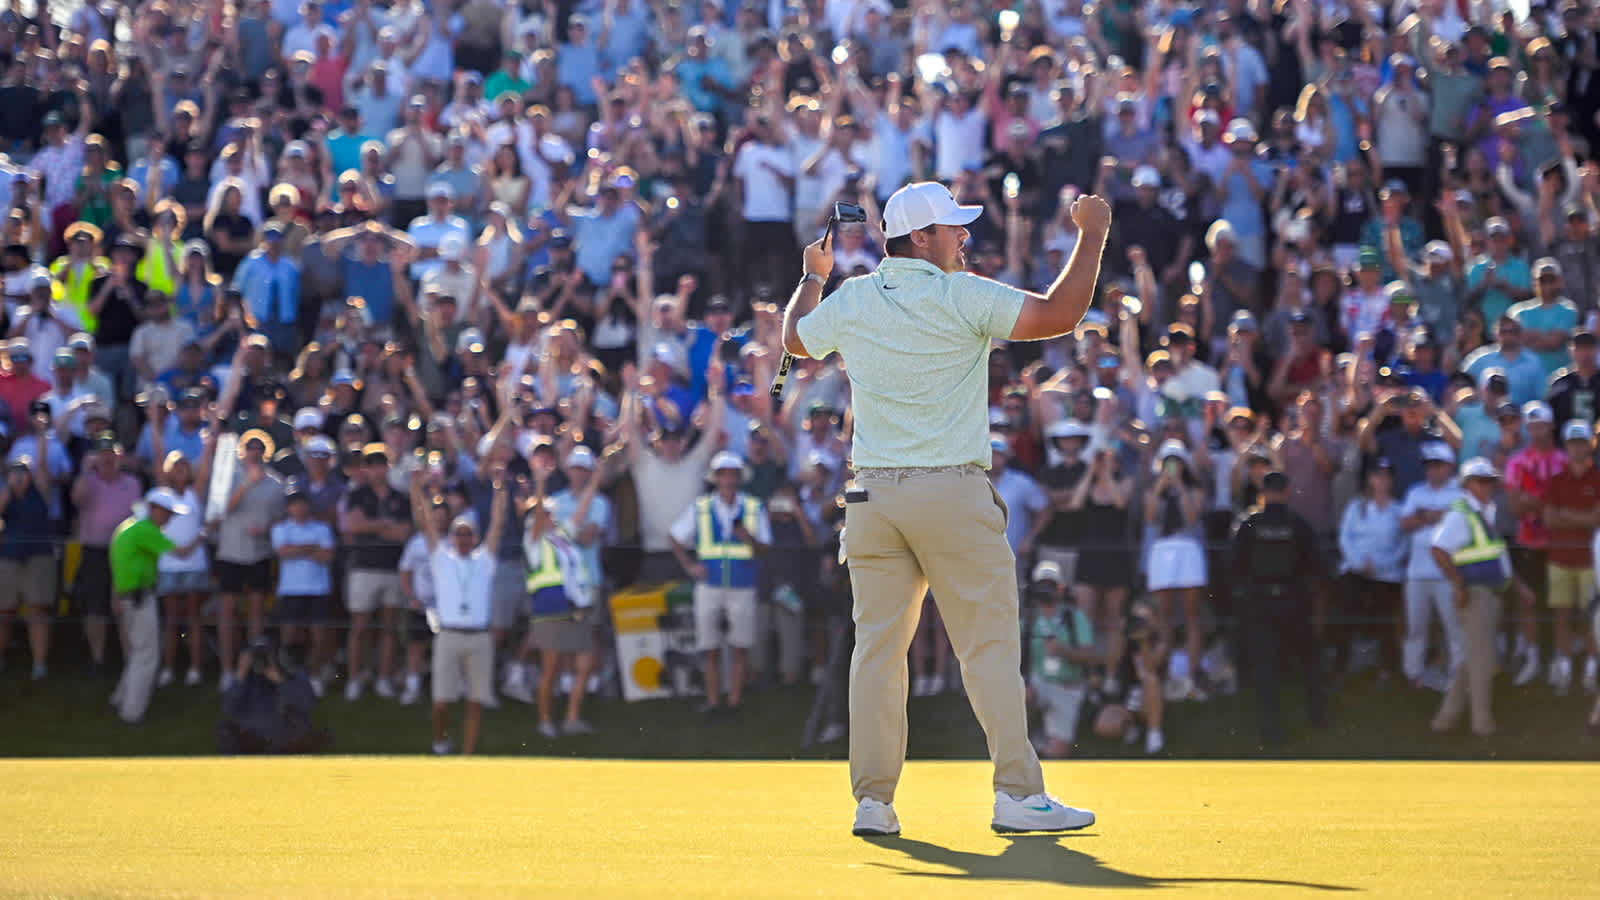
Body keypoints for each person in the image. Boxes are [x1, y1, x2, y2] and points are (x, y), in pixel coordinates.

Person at [782, 181, 1110, 836]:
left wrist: (811, 279)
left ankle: (873, 803)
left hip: (872, 498)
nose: (965, 236)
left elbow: (795, 341)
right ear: (922, 238)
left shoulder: (854, 298)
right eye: (953, 228)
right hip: (949, 493)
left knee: (877, 651)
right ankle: (1018, 796)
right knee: (987, 648)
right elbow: (1062, 314)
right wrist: (1093, 233)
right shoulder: (963, 293)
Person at [1430, 458, 1532, 738]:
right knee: (1483, 660)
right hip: (1476, 593)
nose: (1488, 486)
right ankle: (1482, 724)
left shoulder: (1484, 511)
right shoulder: (1461, 514)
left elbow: (1496, 555)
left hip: (1488, 592)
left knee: (1473, 658)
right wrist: (1459, 584)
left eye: (1490, 481)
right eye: (1482, 481)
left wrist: (1516, 586)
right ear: (1468, 484)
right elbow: (1438, 549)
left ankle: (1445, 721)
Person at [411, 471, 509, 756]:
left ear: (475, 537)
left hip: (479, 636)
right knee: (442, 700)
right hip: (449, 635)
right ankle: (441, 742)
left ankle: (468, 754)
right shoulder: (442, 558)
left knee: (476, 701)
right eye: (459, 534)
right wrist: (417, 489)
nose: (464, 538)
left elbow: (499, 525)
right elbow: (425, 523)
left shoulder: (484, 561)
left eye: (468, 534)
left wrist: (500, 490)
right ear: (452, 537)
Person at [669, 451, 771, 718]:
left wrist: (748, 538)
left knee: (740, 645)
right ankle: (714, 702)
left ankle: (734, 702)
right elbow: (675, 537)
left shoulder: (753, 507)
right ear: (715, 479)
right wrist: (690, 566)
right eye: (723, 475)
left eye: (732, 475)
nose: (728, 480)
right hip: (710, 585)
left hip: (742, 583)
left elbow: (764, 549)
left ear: (739, 478)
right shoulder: (701, 507)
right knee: (709, 646)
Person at [1231, 470, 1326, 748]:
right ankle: (1317, 719)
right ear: (1287, 492)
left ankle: (1270, 731)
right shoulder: (1299, 525)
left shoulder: (1249, 524)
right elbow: (1317, 567)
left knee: (1265, 668)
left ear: (1263, 493)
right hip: (1294, 601)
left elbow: (1235, 566)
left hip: (1260, 603)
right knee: (1309, 662)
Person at [108, 487, 185, 725]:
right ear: (155, 509)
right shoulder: (145, 529)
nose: (170, 518)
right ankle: (132, 713)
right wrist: (206, 532)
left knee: (138, 652)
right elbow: (182, 552)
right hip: (140, 598)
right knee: (147, 655)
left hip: (128, 596)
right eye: (168, 513)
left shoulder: (128, 526)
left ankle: (120, 700)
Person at [1399, 443, 1466, 691]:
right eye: (1429, 465)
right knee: (1416, 627)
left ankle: (1458, 676)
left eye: (1437, 465)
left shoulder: (1459, 493)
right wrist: (1435, 516)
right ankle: (1413, 674)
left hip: (1448, 573)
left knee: (1454, 627)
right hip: (1417, 573)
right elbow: (1405, 523)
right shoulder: (1416, 492)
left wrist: (1427, 516)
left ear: (1449, 467)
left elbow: (1458, 523)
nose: (1432, 470)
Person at [1540, 420, 1600, 695]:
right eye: (1572, 443)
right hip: (1559, 558)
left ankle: (1591, 668)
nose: (1577, 448)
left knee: (1590, 618)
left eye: (1581, 442)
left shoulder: (1598, 478)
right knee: (1561, 615)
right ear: (1566, 447)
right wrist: (1582, 518)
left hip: (1591, 562)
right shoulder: (1556, 481)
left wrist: (1567, 515)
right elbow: (1549, 520)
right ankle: (1564, 667)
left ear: (1590, 444)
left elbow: (1597, 519)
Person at [0, 431, 55, 681]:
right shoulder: (5, 495)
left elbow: (42, 468)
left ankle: (40, 664)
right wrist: (9, 491)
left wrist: (42, 435)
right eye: (15, 471)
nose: (19, 475)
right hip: (9, 559)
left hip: (38, 559)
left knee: (37, 611)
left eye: (23, 471)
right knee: (3, 612)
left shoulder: (40, 492)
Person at [216, 636, 331, 754]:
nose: (260, 660)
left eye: (265, 655)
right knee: (225, 731)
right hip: (252, 738)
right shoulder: (244, 679)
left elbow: (306, 703)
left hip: (285, 737)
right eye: (255, 656)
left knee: (304, 734)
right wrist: (240, 676)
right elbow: (228, 709)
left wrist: (279, 680)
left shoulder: (291, 673)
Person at [1024, 575, 1099, 759]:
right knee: (1021, 695)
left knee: (1058, 752)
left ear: (1060, 589)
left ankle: (1041, 741)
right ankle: (1023, 739)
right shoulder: (1030, 617)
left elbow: (1089, 655)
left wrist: (1064, 651)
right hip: (1038, 681)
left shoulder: (1074, 617)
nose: (1045, 591)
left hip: (1068, 686)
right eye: (1041, 585)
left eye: (1050, 585)